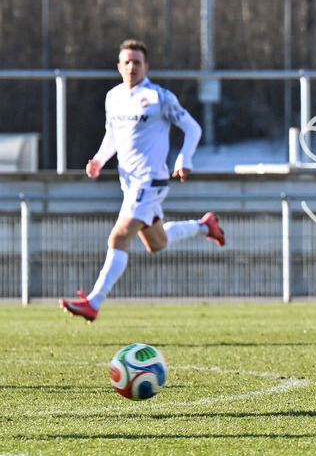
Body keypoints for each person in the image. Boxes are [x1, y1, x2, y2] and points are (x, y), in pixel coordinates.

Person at [59, 39, 225, 322]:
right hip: (129, 184)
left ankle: (94, 302)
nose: (132, 67)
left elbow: (193, 128)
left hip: (150, 182)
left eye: (137, 62)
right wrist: (99, 159)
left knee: (119, 236)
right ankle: (204, 226)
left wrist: (184, 159)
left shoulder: (159, 97)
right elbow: (112, 135)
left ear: (146, 66)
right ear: (119, 66)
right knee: (156, 243)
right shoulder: (113, 97)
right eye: (127, 62)